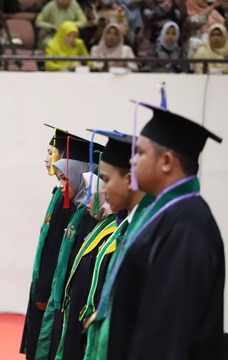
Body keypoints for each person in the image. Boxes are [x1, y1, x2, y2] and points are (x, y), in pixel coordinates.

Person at [100, 103, 224, 359]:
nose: (132, 160)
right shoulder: (168, 215)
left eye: (141, 153)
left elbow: (166, 335)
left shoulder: (186, 226)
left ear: (166, 161)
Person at [81, 131, 151, 360]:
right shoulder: (125, 227)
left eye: (106, 180)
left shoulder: (150, 233)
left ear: (130, 178)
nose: (101, 189)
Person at [35, 136, 104, 360]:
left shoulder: (90, 217)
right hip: (64, 301)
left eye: (65, 178)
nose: (62, 185)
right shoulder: (77, 209)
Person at [20, 126, 80, 359]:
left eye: (51, 152)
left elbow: (56, 247)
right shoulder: (59, 193)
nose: (46, 159)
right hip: (42, 284)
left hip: (49, 289)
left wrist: (44, 289)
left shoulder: (69, 199)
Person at [55, 169, 116, 360]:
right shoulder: (96, 222)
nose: (87, 200)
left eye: (92, 193)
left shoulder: (115, 230)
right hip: (77, 314)